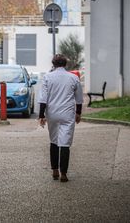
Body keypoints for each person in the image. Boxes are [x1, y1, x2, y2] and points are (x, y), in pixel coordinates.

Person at [37, 54, 83, 182]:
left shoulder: (47, 77)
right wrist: (78, 113)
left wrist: (41, 115)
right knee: (65, 142)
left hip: (52, 113)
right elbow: (79, 99)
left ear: (53, 64)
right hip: (67, 113)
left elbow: (43, 98)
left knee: (54, 140)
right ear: (65, 64)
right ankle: (64, 173)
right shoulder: (73, 78)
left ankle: (54, 170)